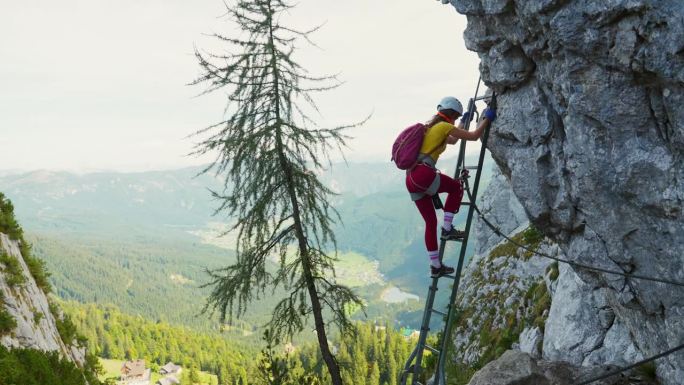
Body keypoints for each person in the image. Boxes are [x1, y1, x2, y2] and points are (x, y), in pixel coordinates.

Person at [406, 96, 496, 277]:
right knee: (456, 188)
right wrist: (487, 117)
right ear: (452, 115)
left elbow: (454, 139)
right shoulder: (444, 127)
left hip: (411, 178)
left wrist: (464, 121)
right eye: (457, 117)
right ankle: (447, 229)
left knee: (430, 222)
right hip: (424, 174)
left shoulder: (430, 128)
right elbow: (473, 136)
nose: (456, 121)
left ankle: (435, 266)